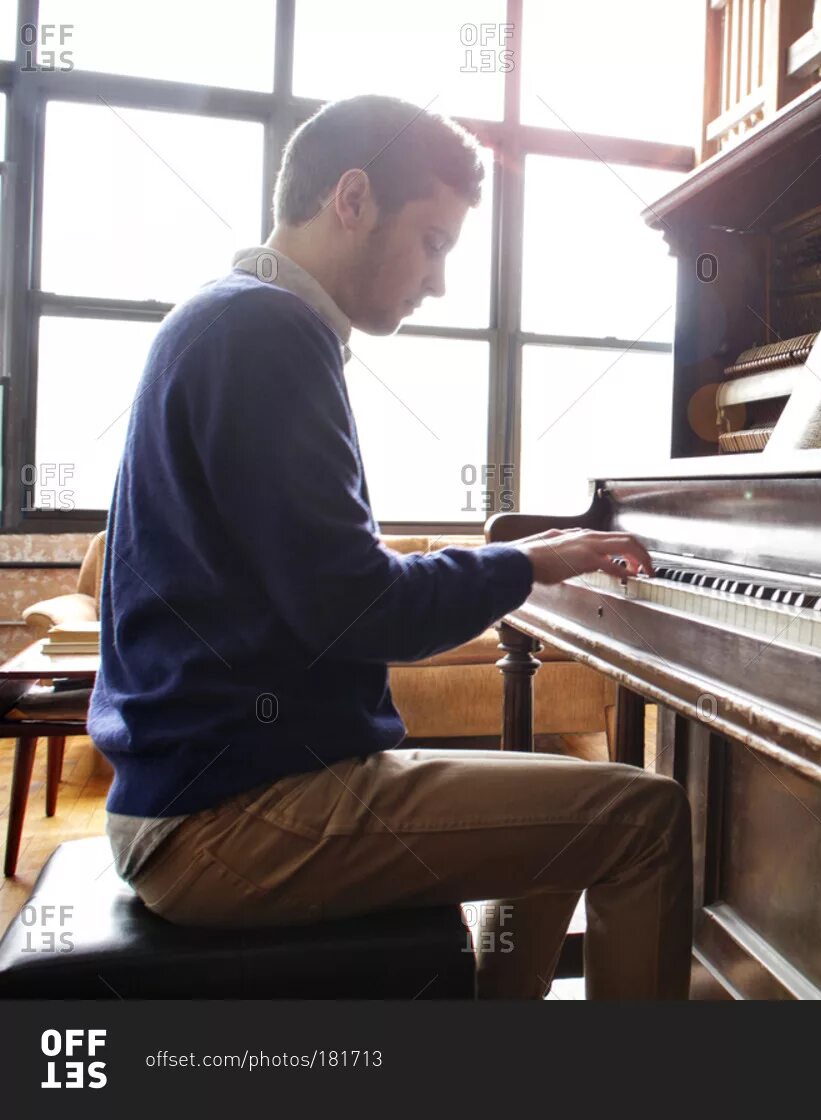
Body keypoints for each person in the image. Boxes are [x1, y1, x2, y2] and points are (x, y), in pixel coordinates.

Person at [86, 95, 692, 1000]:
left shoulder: (235, 318)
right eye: (435, 243)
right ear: (354, 199)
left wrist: (520, 564)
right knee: (644, 815)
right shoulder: (265, 334)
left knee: (560, 805)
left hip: (216, 793)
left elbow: (322, 588)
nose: (439, 282)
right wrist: (529, 562)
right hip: (224, 820)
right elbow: (359, 608)